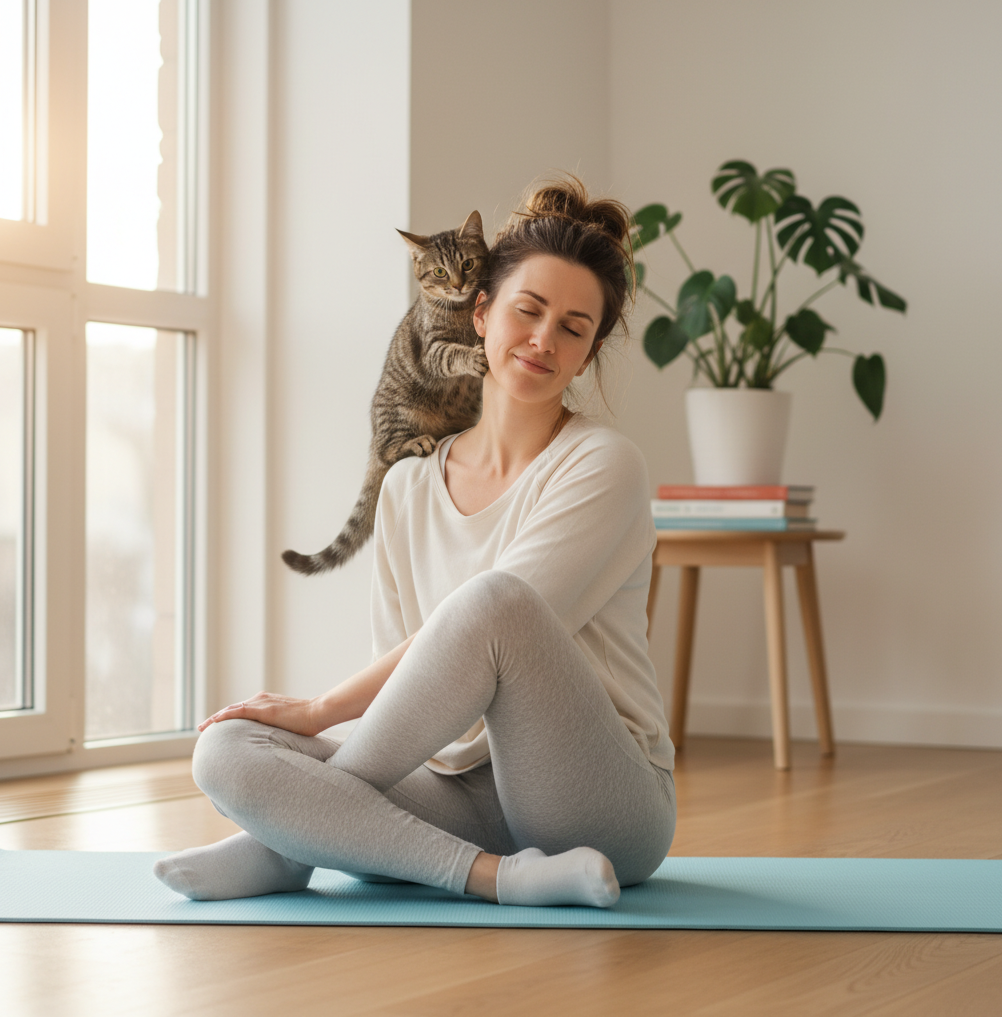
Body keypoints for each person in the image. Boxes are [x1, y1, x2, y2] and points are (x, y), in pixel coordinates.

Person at [154, 177, 677, 909]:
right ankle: (497, 878)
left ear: (587, 355)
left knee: (495, 600)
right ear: (481, 311)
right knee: (226, 751)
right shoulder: (407, 487)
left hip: (597, 800)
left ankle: (287, 846)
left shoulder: (604, 465)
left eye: (573, 328)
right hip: (463, 796)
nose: (542, 340)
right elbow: (415, 689)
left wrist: (318, 712)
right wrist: (314, 746)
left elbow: (491, 623)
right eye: (528, 311)